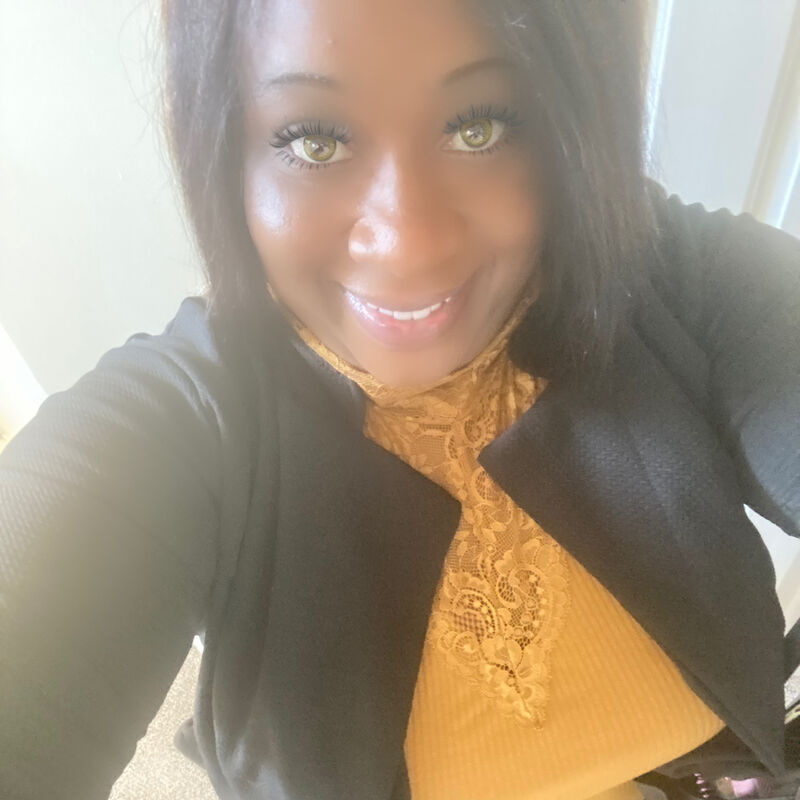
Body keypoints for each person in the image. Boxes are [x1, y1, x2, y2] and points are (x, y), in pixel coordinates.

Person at [1, 1, 798, 798]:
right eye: (315, 141)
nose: (409, 244)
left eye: (479, 127)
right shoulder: (182, 423)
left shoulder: (671, 277)